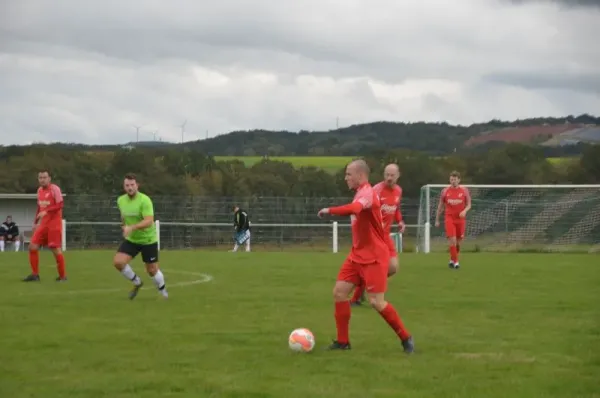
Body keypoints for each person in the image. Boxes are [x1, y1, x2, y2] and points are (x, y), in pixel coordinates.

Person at [317, 160, 414, 353]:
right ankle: (343, 342)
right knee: (339, 293)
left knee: (376, 302)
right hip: (356, 255)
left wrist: (330, 210)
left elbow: (354, 209)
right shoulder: (361, 192)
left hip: (374, 256)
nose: (346, 178)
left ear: (360, 175)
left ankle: (406, 338)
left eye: (348, 174)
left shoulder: (368, 193)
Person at [350, 163, 405, 306]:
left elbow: (396, 208)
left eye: (392, 175)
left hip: (385, 235)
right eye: (387, 174)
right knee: (373, 268)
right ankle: (357, 297)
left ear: (398, 176)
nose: (389, 178)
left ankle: (363, 290)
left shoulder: (398, 191)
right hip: (373, 236)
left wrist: (400, 221)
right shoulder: (376, 190)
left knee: (392, 268)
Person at [113, 173, 168, 299]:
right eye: (127, 185)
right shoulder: (121, 200)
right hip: (132, 239)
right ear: (124, 187)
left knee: (152, 270)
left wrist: (131, 227)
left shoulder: (145, 200)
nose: (130, 187)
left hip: (148, 240)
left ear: (137, 185)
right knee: (118, 262)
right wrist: (124, 226)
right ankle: (137, 282)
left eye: (132, 185)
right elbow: (123, 216)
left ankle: (163, 291)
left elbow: (149, 221)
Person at [23, 170, 67, 282]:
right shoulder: (39, 191)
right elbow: (39, 208)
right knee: (32, 246)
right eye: (40, 177)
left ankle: (63, 276)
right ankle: (35, 275)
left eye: (44, 177)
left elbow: (60, 204)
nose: (42, 179)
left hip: (54, 224)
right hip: (43, 224)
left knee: (55, 248)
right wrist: (35, 221)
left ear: (49, 178)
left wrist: (46, 211)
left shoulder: (54, 189)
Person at [435, 170, 471, 269]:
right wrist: (437, 219)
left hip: (460, 219)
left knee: (458, 242)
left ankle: (452, 259)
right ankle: (456, 262)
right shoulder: (445, 191)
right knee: (453, 240)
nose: (453, 181)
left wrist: (465, 211)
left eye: (455, 179)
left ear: (459, 180)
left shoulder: (464, 191)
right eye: (451, 179)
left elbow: (469, 205)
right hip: (449, 218)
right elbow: (440, 206)